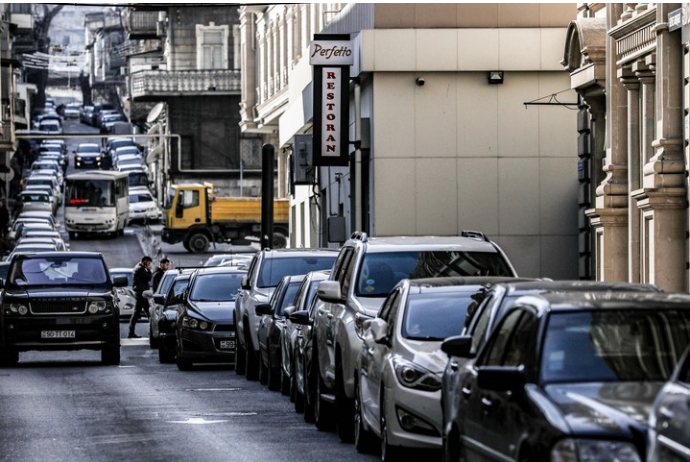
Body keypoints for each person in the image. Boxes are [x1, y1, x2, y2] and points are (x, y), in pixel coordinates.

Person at [128, 255, 152, 339]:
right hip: (141, 293)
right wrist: (149, 270)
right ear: (145, 262)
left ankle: (152, 330)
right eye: (149, 263)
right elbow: (149, 277)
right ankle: (131, 332)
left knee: (149, 312)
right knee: (137, 312)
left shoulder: (140, 268)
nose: (150, 265)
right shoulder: (140, 269)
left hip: (142, 293)